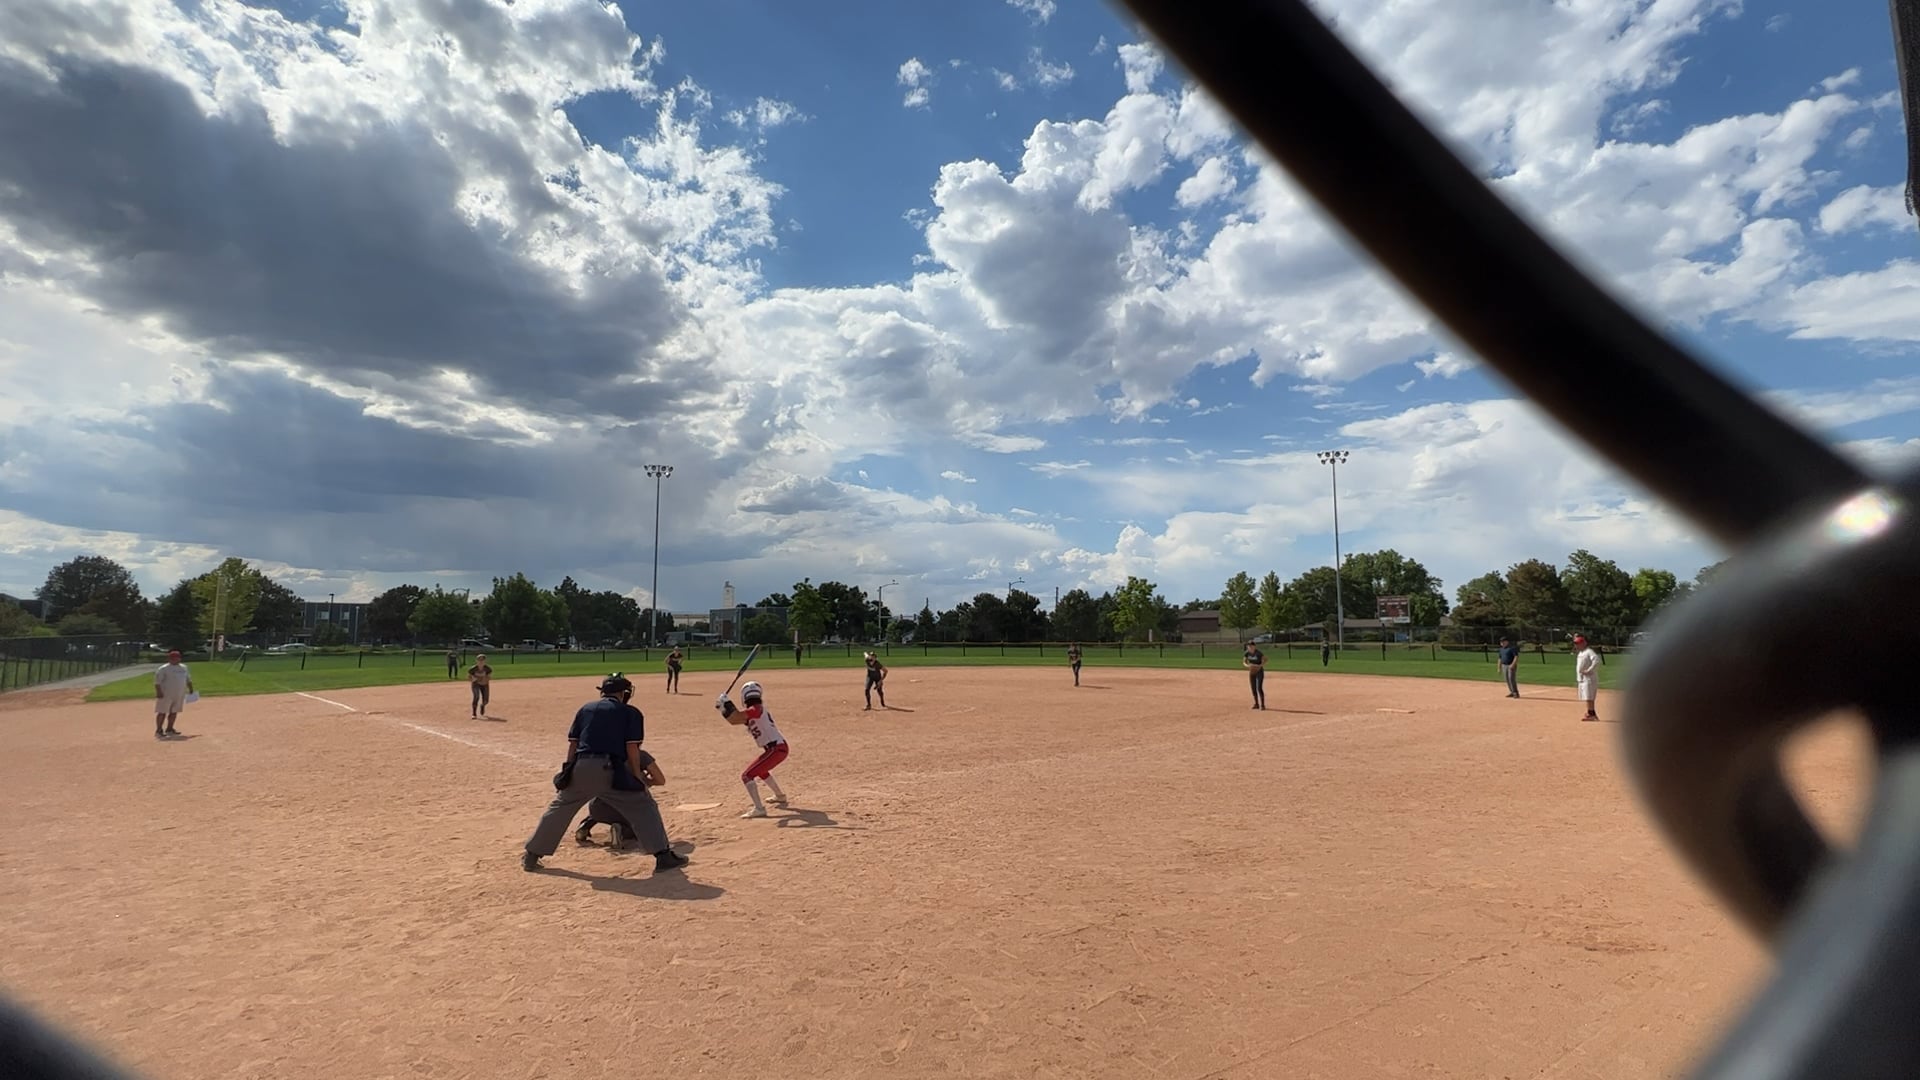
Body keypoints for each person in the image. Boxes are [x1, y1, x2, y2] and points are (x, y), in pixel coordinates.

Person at [522, 674, 686, 873]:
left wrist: (568, 770)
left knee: (560, 808)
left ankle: (532, 855)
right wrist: (636, 777)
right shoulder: (630, 712)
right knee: (644, 805)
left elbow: (573, 744)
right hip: (611, 770)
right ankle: (663, 856)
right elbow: (632, 749)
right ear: (623, 693)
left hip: (581, 766)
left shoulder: (586, 709)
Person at [716, 680, 789, 818]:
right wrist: (723, 708)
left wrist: (727, 703)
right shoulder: (755, 710)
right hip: (776, 749)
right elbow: (734, 720)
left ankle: (759, 809)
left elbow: (737, 716)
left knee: (747, 776)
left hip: (776, 749)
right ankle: (780, 796)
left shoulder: (756, 709)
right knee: (761, 771)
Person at [576, 746, 669, 847]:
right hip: (626, 805)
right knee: (640, 827)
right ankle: (622, 831)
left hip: (597, 808)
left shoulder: (603, 755)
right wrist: (644, 781)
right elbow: (660, 780)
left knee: (605, 798)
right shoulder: (640, 755)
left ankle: (585, 826)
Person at [153, 650, 194, 739]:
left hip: (179, 693)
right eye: (173, 658)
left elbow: (188, 679)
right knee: (162, 712)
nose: (175, 659)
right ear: (169, 659)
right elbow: (157, 682)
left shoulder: (184, 667)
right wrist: (159, 692)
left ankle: (170, 728)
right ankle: (159, 730)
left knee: (174, 711)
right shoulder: (163, 669)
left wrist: (191, 689)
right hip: (166, 694)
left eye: (177, 658)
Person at [1573, 634, 1601, 721]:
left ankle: (1591, 714)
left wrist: (1589, 670)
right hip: (1582, 678)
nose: (1577, 645)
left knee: (1589, 696)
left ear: (1584, 643)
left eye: (1578, 643)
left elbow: (1596, 660)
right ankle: (1591, 713)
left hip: (1589, 678)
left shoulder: (1589, 651)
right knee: (1587, 696)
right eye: (1576, 643)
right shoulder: (1581, 653)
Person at [1243, 641, 1267, 710]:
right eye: (1248, 646)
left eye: (1251, 645)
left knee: (1259, 687)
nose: (1249, 647)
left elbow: (1265, 660)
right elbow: (1244, 662)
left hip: (1259, 671)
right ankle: (1256, 704)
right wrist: (1248, 666)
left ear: (1254, 646)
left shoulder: (1258, 653)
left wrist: (1259, 666)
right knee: (1253, 688)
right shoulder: (1247, 653)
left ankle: (1262, 705)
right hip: (1252, 672)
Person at [468, 653, 493, 717]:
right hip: (475, 684)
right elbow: (469, 677)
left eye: (482, 660)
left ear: (485, 661)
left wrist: (484, 679)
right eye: (479, 660)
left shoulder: (488, 669)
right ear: (476, 661)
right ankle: (474, 713)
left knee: (486, 700)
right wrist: (473, 679)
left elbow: (489, 677)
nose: (481, 661)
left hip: (484, 684)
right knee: (476, 696)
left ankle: (482, 705)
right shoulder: (472, 669)